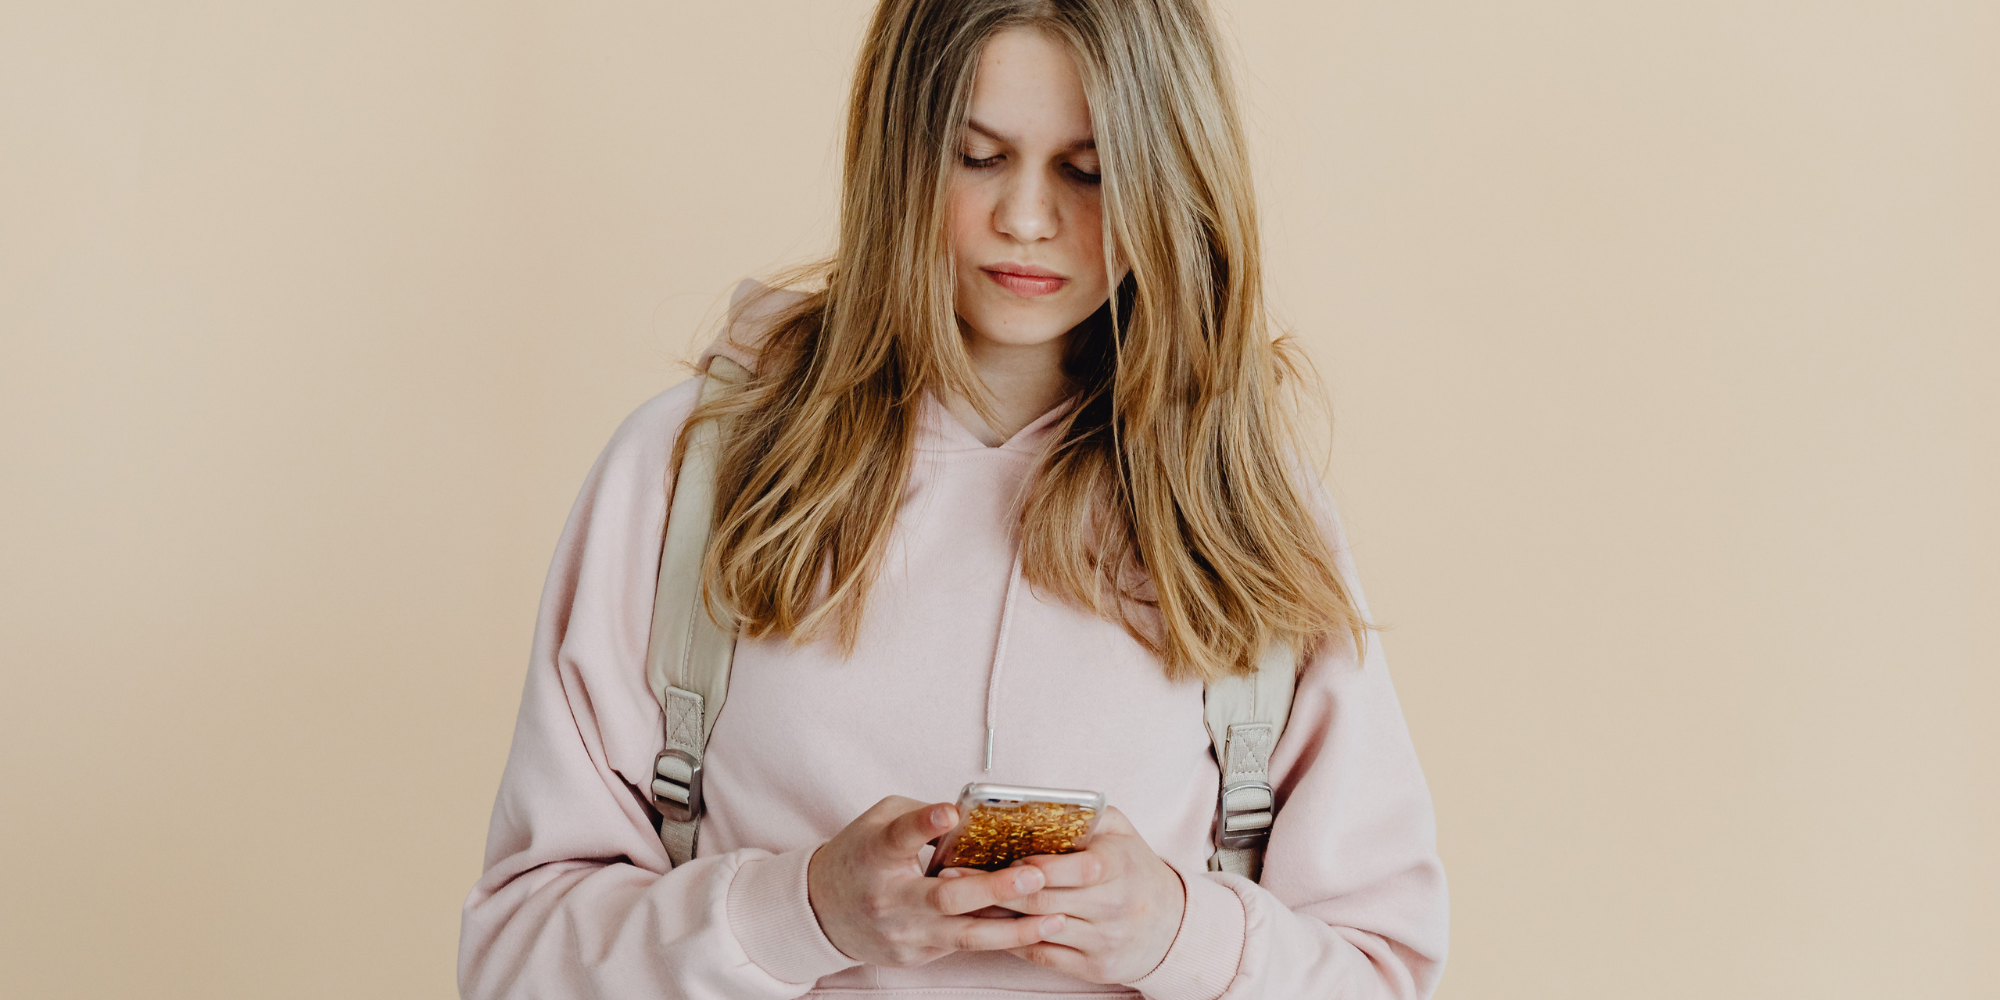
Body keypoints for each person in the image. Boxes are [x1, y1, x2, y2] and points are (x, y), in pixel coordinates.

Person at [457, 1, 1448, 997]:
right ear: (896, 157)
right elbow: (511, 963)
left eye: (1087, 170)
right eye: (977, 158)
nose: (1026, 217)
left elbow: (1378, 972)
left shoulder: (1242, 504)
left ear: (1168, 176)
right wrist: (799, 911)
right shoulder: (691, 472)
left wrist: (1176, 932)